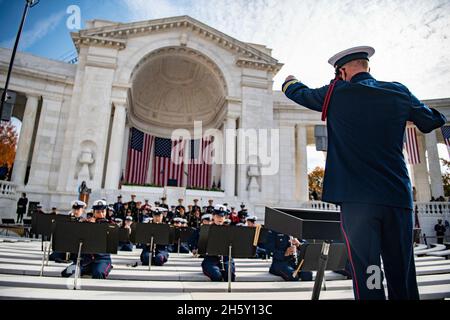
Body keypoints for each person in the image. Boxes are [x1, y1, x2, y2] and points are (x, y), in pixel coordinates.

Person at [282, 45, 446, 300]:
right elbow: (432, 121)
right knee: (402, 270)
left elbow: (299, 93)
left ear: (342, 71)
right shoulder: (398, 91)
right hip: (397, 197)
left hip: (358, 201)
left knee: (368, 270)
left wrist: (290, 80)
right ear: (368, 66)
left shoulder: (335, 93)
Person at [61, 200, 113, 279]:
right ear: (93, 212)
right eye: (98, 212)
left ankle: (99, 268)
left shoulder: (110, 225)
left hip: (101, 259)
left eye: (103, 211)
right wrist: (84, 226)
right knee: (66, 273)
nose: (101, 214)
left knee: (98, 274)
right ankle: (88, 270)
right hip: (85, 261)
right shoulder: (87, 223)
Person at [201, 205, 235, 282]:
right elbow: (201, 245)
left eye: (222, 216)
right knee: (216, 276)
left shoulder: (229, 230)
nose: (220, 218)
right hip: (211, 259)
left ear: (225, 217)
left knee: (230, 276)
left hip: (226, 258)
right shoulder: (207, 230)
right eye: (218, 216)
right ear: (213, 216)